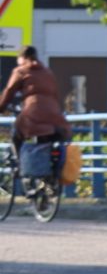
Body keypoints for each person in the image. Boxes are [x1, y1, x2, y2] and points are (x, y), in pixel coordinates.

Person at [2, 45, 70, 185]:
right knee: (49, 139)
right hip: (54, 116)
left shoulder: (21, 71)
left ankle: (20, 164)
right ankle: (51, 177)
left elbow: (9, 91)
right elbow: (56, 94)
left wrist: (1, 107)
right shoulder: (47, 72)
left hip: (33, 113)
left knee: (17, 134)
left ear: (23, 58)